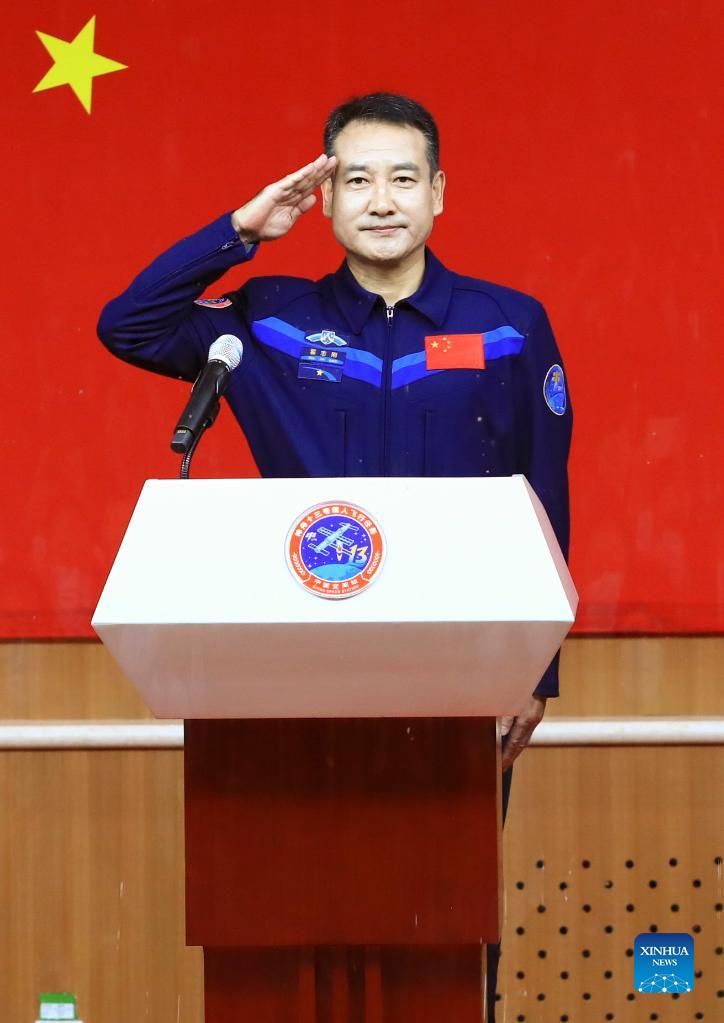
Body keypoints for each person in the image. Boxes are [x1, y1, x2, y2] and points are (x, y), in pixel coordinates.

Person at [98, 92, 572, 1020]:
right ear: (323, 197)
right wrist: (241, 232)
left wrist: (535, 667)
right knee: (287, 912)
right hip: (292, 673)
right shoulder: (267, 321)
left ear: (439, 191)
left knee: (444, 917)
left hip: (460, 671)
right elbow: (131, 326)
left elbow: (543, 502)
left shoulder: (510, 324)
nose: (381, 200)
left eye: (403, 178)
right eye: (356, 180)